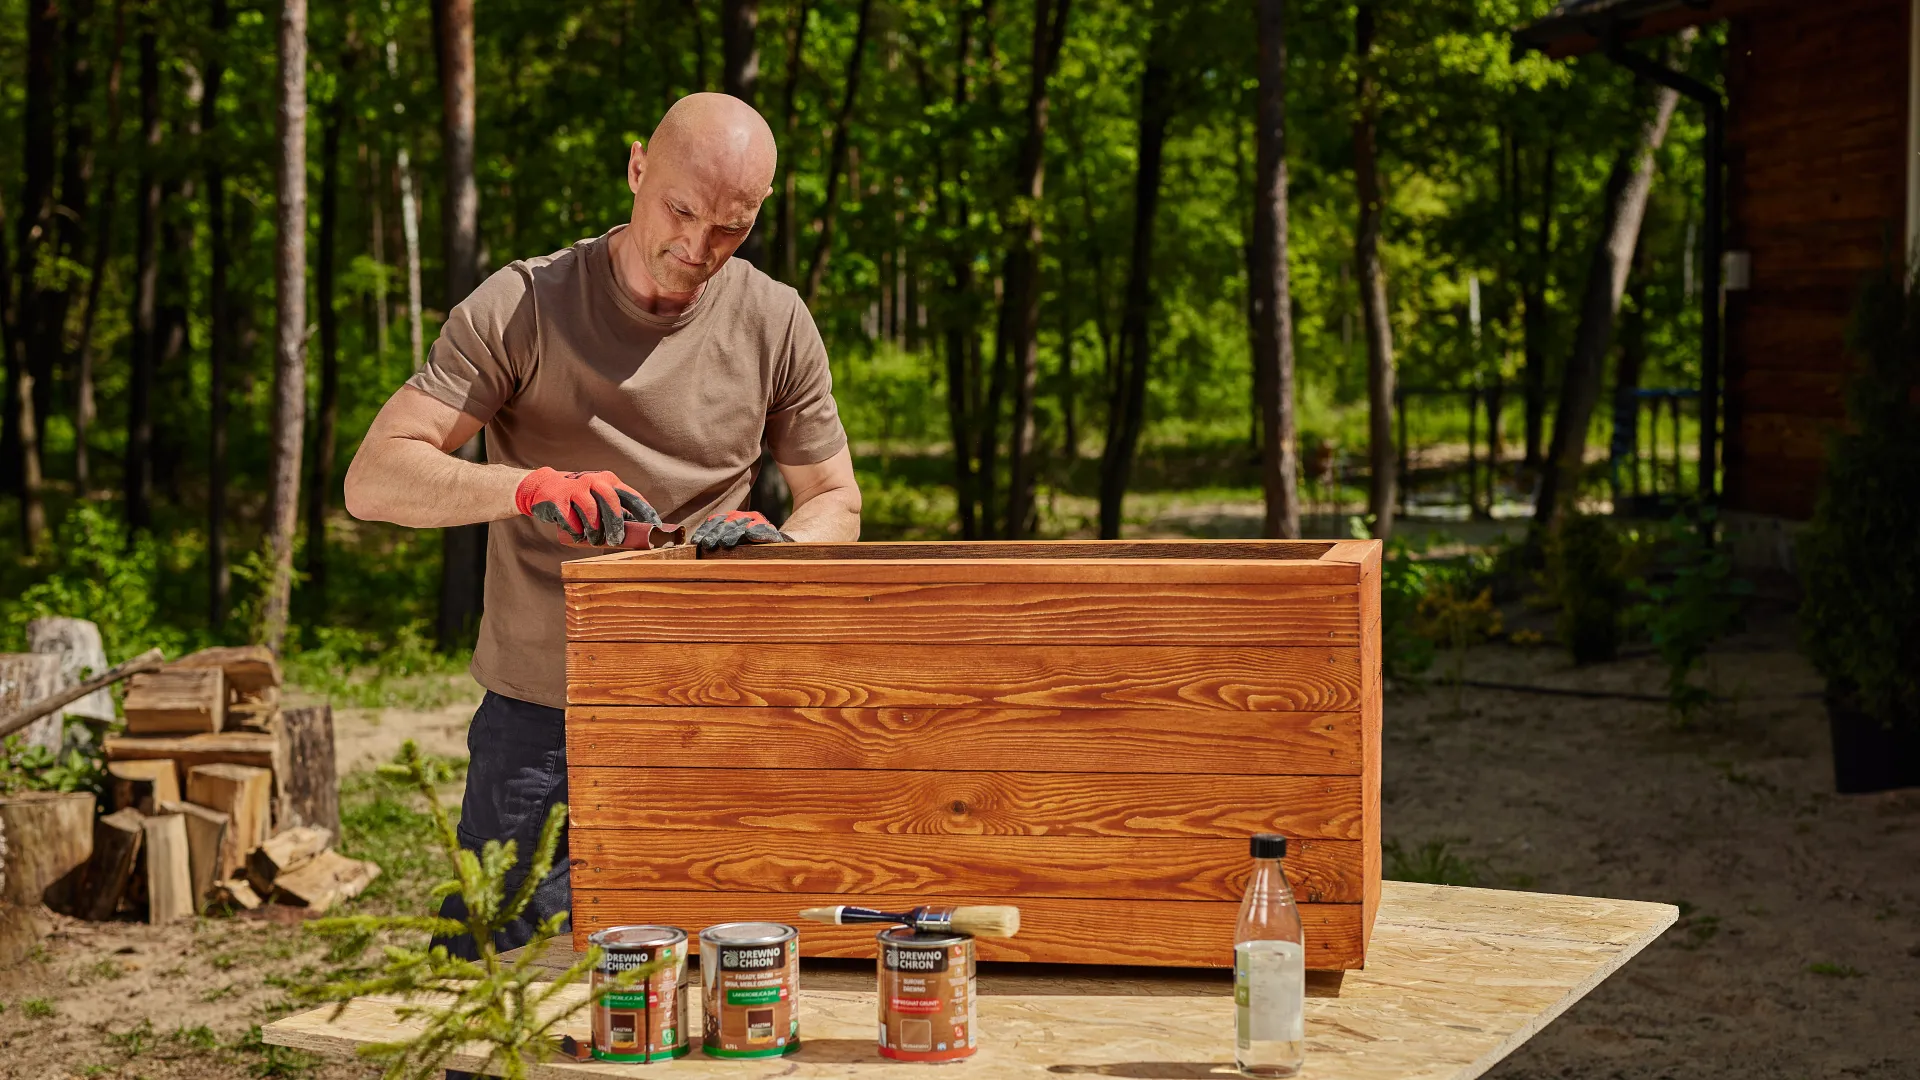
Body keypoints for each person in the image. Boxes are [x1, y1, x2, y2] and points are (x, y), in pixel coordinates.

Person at [342, 91, 861, 1057]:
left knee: (707, 989)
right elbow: (374, 478)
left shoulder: (777, 321)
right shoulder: (526, 303)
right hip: (542, 714)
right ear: (635, 169)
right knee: (502, 995)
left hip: (709, 709)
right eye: (679, 210)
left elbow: (837, 498)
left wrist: (782, 548)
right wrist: (525, 485)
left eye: (732, 228)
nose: (699, 247)